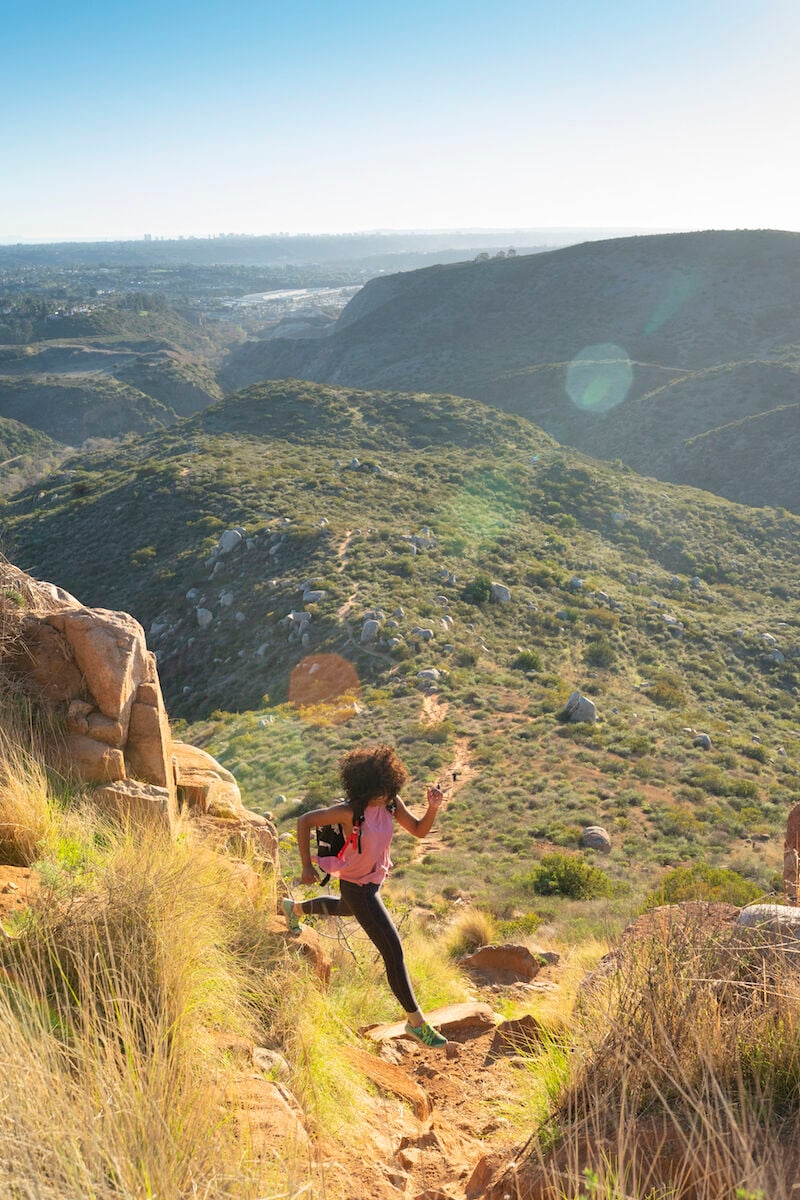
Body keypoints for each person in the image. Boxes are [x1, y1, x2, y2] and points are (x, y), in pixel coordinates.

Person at [283, 743, 448, 1048]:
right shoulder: (349, 812)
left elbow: (419, 831)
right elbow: (305, 820)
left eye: (389, 789)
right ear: (365, 787)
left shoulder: (389, 802)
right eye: (380, 790)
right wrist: (306, 866)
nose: (385, 795)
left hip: (370, 883)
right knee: (393, 952)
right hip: (358, 887)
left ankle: (294, 910)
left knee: (345, 909)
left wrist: (433, 808)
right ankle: (416, 1023)